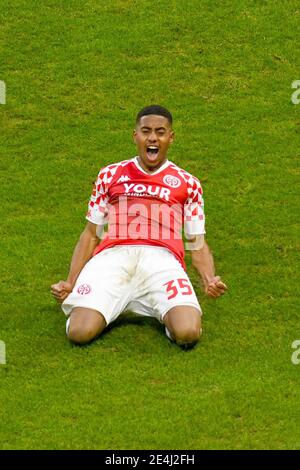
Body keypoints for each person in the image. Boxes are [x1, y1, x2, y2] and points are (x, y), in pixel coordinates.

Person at [51, 105, 227, 349]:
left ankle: (151, 307)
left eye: (160, 132)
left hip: (162, 261)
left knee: (188, 332)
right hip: (114, 258)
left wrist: (208, 279)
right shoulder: (109, 175)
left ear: (170, 137)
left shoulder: (189, 183)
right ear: (136, 136)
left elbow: (197, 241)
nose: (153, 138)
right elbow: (91, 233)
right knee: (79, 333)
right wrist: (70, 282)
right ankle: (108, 303)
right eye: (146, 131)